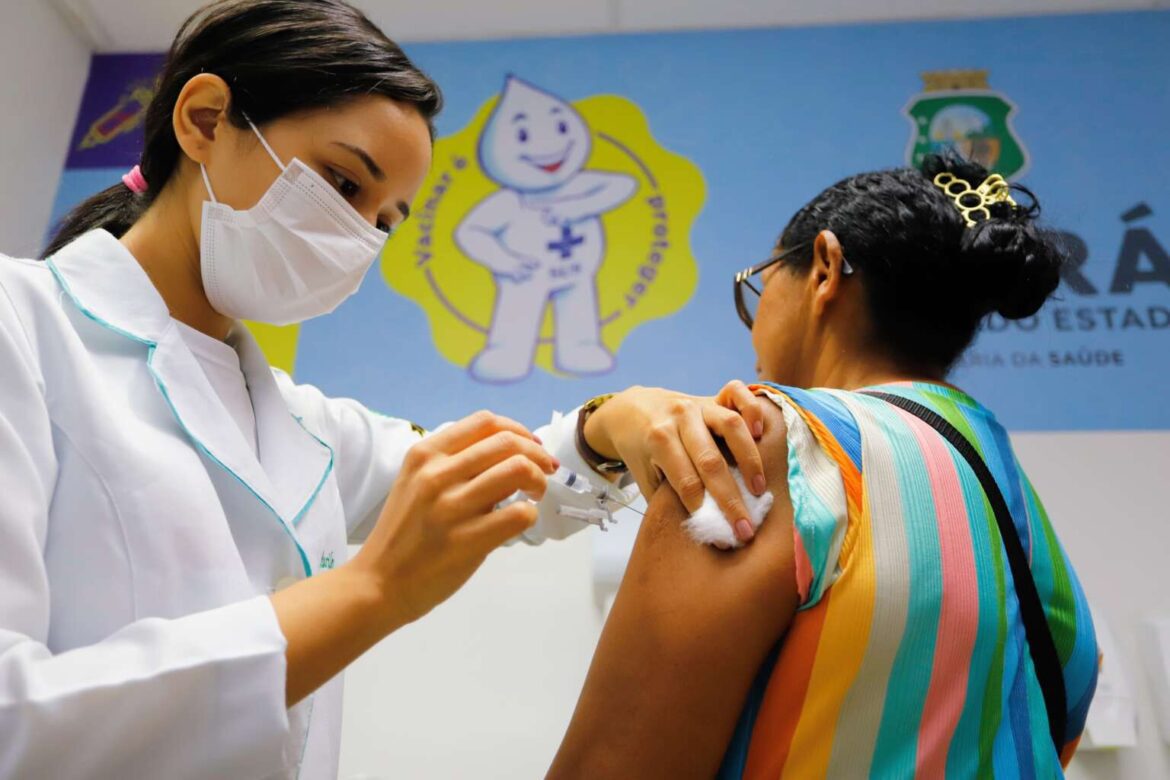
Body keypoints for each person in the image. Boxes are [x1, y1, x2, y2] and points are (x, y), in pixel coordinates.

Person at [0, 2, 770, 777]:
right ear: (204, 120)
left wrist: (609, 424)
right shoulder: (23, 326)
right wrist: (372, 590)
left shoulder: (300, 424)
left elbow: (494, 482)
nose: (356, 236)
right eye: (343, 182)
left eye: (384, 221)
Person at [551, 156, 1100, 778]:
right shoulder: (1012, 491)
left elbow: (611, 765)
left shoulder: (769, 445)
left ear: (824, 268)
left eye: (759, 287)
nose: (753, 327)